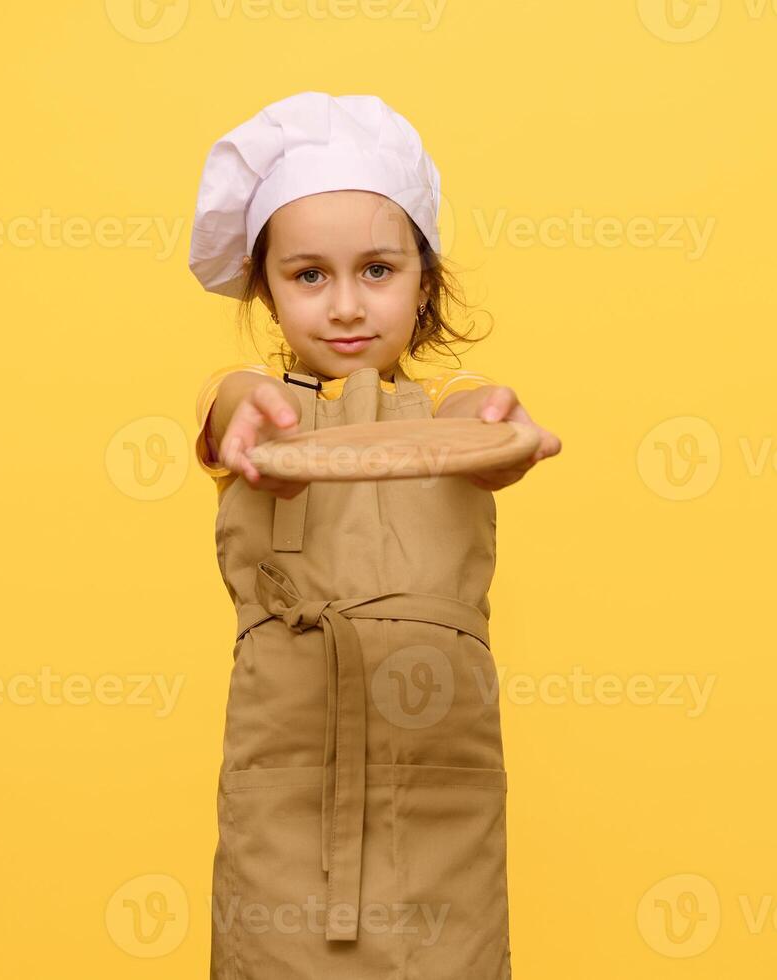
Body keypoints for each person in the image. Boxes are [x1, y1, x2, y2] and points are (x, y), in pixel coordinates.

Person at [188, 91, 561, 979]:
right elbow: (229, 406)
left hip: (443, 774)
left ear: (423, 280)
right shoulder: (251, 406)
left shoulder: (459, 410)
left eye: (378, 271)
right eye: (308, 275)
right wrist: (253, 417)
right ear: (265, 291)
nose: (346, 306)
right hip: (291, 776)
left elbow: (483, 420)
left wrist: (500, 424)